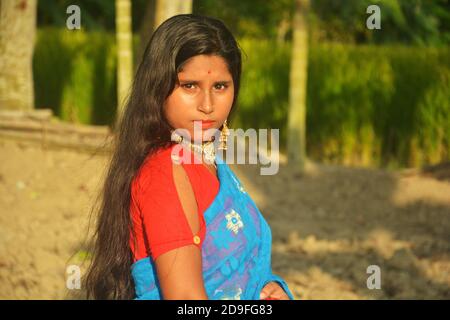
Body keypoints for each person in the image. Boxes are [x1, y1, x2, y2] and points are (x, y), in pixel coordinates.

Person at [85, 13, 294, 300]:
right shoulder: (164, 174)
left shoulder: (208, 161)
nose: (207, 105)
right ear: (157, 88)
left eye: (220, 86)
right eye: (189, 86)